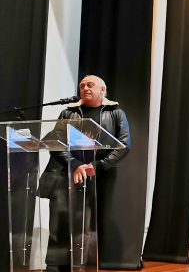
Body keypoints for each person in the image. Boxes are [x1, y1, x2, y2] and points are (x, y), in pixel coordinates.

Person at [38, 75, 131, 272]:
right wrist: (75, 164)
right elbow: (55, 142)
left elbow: (123, 145)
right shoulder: (67, 113)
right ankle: (54, 266)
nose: (85, 88)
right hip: (66, 174)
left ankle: (81, 265)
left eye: (90, 85)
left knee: (88, 224)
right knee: (59, 221)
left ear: (103, 90)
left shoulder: (116, 113)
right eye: (82, 85)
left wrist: (96, 166)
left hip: (99, 177)